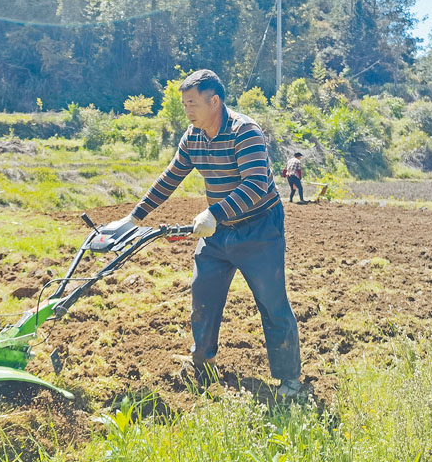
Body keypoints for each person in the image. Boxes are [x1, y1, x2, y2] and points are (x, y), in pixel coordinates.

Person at [118, 69, 302, 398]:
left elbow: (257, 185)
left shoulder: (244, 132)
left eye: (192, 103)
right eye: (184, 103)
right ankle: (203, 363)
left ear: (213, 101)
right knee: (203, 295)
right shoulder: (193, 136)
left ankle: (289, 380)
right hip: (217, 231)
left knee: (272, 301)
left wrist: (213, 212)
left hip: (259, 229)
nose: (187, 110)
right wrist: (133, 218)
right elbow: (170, 177)